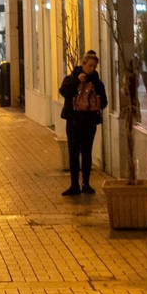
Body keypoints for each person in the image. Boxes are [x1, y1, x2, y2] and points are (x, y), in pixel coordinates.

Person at [59, 50, 108, 195]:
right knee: (73, 152)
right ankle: (74, 185)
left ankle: (86, 183)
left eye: (94, 66)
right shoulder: (71, 78)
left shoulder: (97, 83)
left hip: (89, 121)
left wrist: (95, 101)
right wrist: (77, 81)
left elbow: (104, 102)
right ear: (83, 64)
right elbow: (64, 92)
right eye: (89, 66)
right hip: (74, 121)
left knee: (86, 152)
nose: (91, 69)